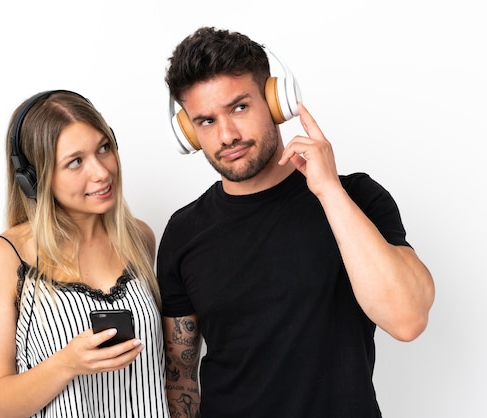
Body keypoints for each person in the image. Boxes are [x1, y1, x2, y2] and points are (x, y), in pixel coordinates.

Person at [157, 27, 435, 417]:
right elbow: (180, 376)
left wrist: (329, 192)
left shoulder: (355, 197)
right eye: (205, 121)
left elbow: (407, 319)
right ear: (188, 131)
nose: (227, 135)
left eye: (239, 107)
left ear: (275, 102)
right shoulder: (183, 232)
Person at [0, 90, 170, 418]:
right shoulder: (3, 259)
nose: (101, 172)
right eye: (75, 162)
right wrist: (66, 364)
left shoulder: (139, 238)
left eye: (104, 148)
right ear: (34, 179)